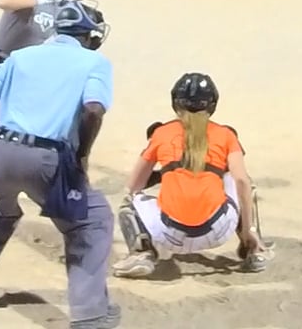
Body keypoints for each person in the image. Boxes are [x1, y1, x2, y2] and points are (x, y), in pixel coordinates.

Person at [0, 0, 118, 327]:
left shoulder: (23, 55)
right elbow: (93, 109)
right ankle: (90, 314)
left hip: (4, 154)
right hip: (48, 160)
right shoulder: (94, 62)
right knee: (91, 222)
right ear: (88, 35)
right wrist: (82, 155)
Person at [113, 72, 271, 279]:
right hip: (218, 231)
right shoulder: (226, 135)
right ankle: (254, 250)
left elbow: (134, 185)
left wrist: (165, 173)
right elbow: (241, 181)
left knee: (129, 203)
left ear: (175, 102)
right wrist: (248, 229)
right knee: (243, 183)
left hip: (169, 234)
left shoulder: (162, 133)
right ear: (212, 104)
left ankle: (141, 254)